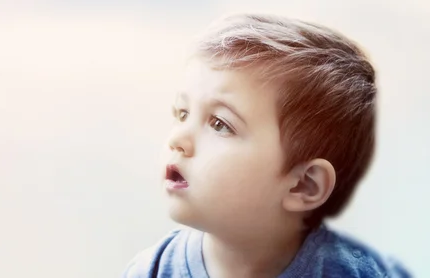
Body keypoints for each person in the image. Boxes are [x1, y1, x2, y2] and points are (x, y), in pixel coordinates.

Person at [122, 15, 411, 277]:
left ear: (303, 185)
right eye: (182, 114)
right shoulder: (151, 271)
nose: (178, 140)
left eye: (220, 124)